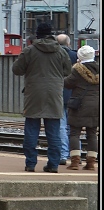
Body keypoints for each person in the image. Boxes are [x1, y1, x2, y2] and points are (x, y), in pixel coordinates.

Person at [12, 21, 73, 172]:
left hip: (34, 94)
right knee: (53, 131)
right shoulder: (61, 51)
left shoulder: (30, 50)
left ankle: (31, 163)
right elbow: (68, 72)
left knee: (31, 129)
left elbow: (16, 69)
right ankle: (53, 164)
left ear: (37, 35)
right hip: (54, 94)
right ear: (52, 34)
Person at [64, 45, 99, 171]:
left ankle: (75, 162)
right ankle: (91, 163)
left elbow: (67, 83)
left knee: (74, 133)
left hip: (79, 105)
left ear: (79, 56)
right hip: (96, 106)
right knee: (92, 134)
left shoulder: (77, 70)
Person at [56, 34, 78, 164]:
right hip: (74, 95)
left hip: (58, 94)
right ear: (68, 43)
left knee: (61, 126)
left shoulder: (55, 55)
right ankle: (75, 154)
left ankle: (63, 155)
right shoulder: (75, 56)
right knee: (74, 127)